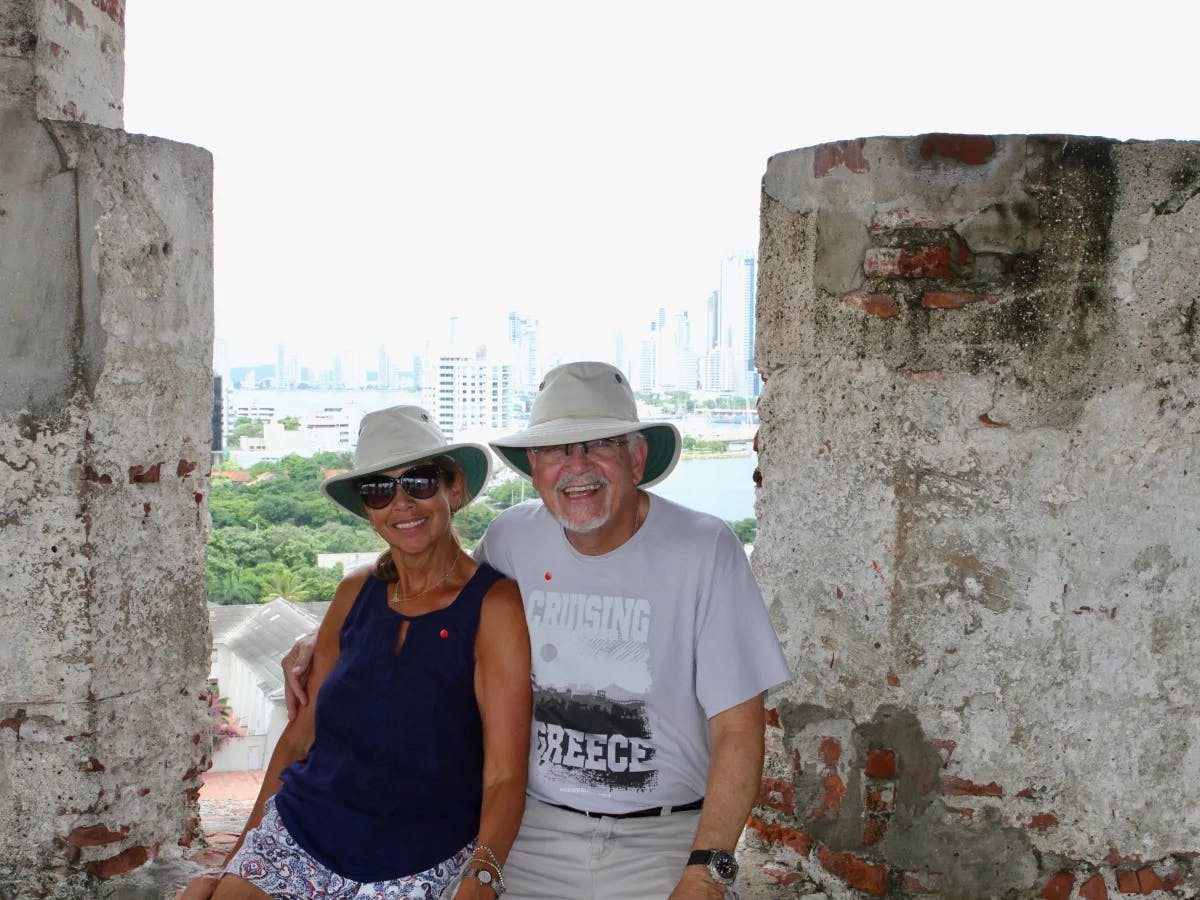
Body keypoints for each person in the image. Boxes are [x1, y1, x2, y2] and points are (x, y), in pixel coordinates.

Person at [285, 363, 790, 899]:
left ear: (637, 457)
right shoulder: (512, 539)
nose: (578, 468)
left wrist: (706, 871)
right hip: (533, 831)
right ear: (534, 466)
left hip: (662, 836)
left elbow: (737, 727)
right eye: (557, 450)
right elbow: (440, 600)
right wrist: (328, 635)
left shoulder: (704, 550)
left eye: (599, 444)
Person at [182, 405, 531, 900]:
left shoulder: (493, 607)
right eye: (379, 490)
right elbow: (301, 740)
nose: (402, 503)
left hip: (417, 855)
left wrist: (482, 878)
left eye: (420, 482)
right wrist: (236, 860)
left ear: (454, 489)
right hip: (302, 832)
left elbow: (504, 775)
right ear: (369, 512)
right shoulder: (354, 593)